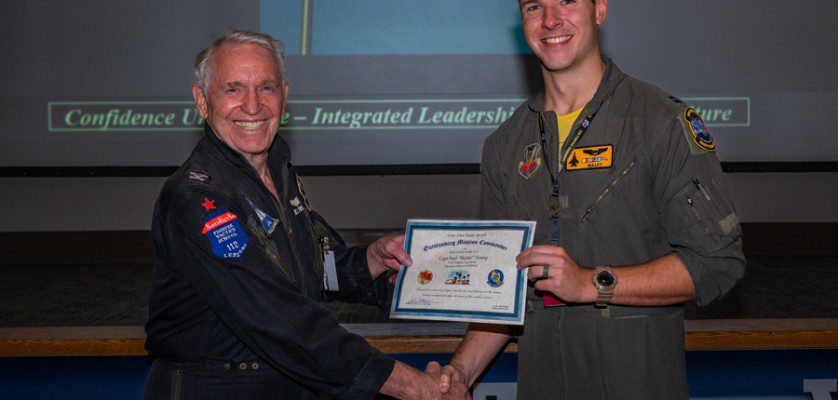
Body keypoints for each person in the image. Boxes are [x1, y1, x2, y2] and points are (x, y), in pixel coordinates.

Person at [437, 1, 745, 398]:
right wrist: (461, 372)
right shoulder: (504, 145)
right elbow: (501, 292)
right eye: (534, 6)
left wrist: (593, 283)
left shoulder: (659, 123)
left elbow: (717, 262)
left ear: (600, 9)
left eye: (566, 1)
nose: (550, 20)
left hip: (636, 384)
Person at [142, 30, 468, 400]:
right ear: (202, 100)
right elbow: (278, 319)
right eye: (233, 89)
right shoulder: (198, 199)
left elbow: (306, 266)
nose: (253, 106)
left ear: (285, 94)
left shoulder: (278, 171)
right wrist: (414, 387)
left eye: (266, 87)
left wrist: (368, 261)